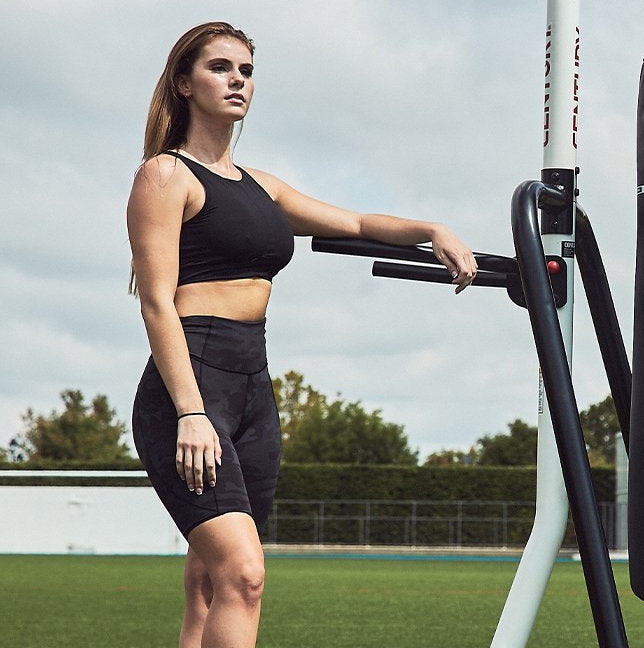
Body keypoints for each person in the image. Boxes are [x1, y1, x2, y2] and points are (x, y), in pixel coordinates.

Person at [126, 22, 477, 648]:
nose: (238, 80)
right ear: (183, 83)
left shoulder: (262, 186)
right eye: (220, 68)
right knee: (244, 574)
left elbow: (356, 219)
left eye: (246, 71)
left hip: (254, 388)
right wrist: (191, 412)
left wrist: (431, 228)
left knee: (211, 582)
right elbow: (156, 303)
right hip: (191, 386)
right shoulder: (164, 176)